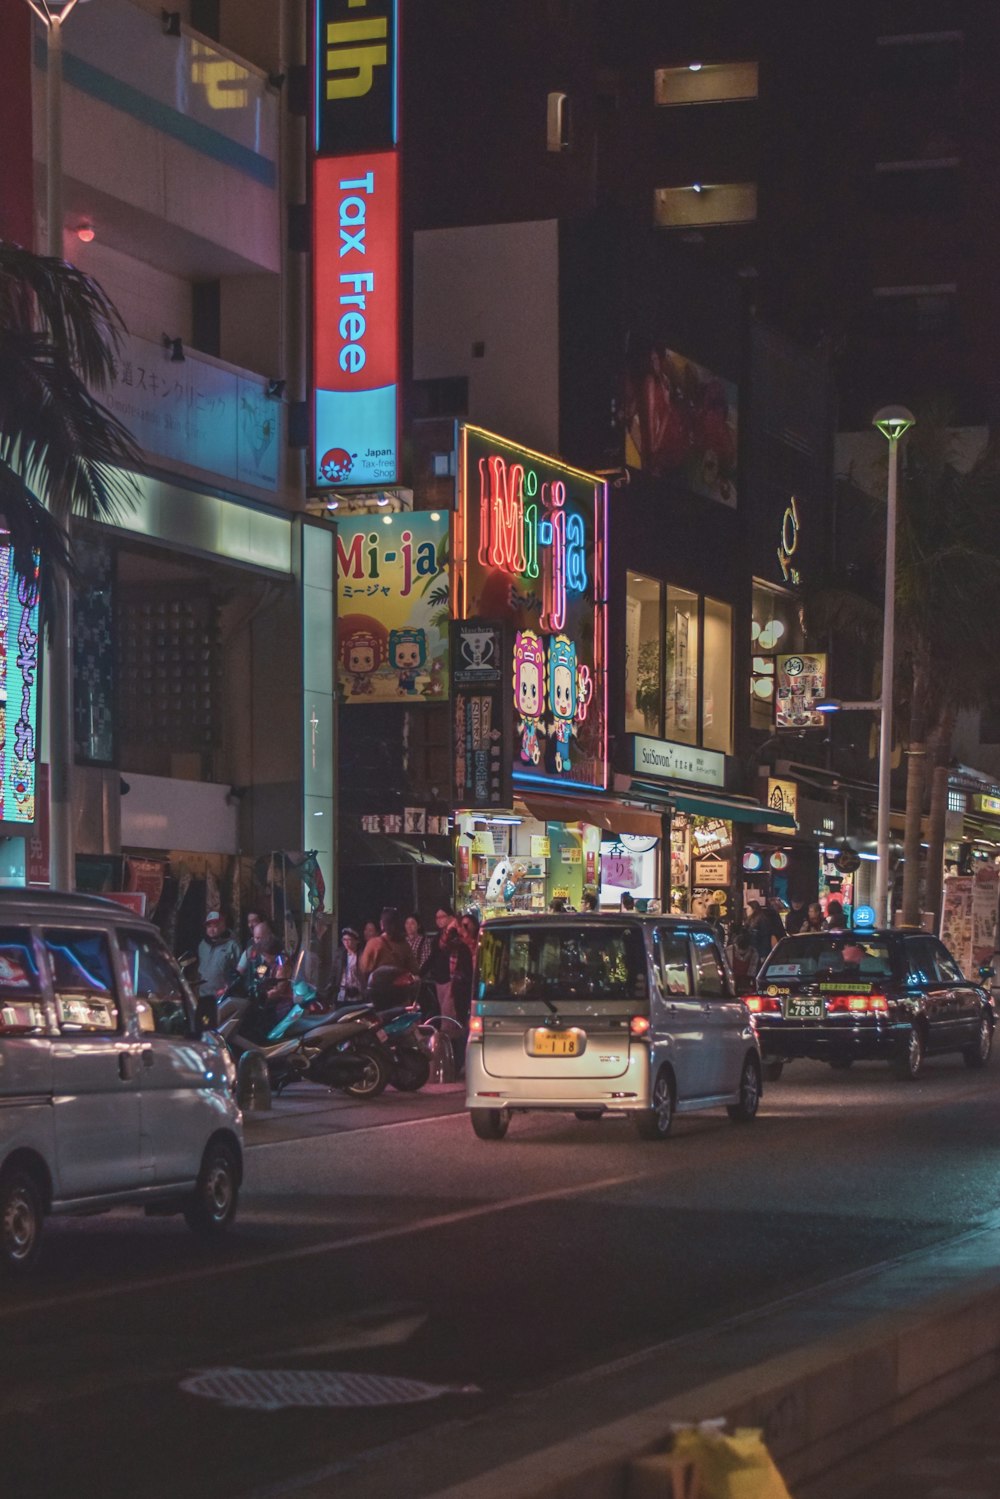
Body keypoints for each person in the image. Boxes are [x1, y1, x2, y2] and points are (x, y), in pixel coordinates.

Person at [358, 906, 416, 986]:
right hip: (399, 991)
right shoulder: (404, 944)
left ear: (382, 924)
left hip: (378, 990)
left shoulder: (373, 943)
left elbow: (364, 968)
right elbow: (414, 969)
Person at [197, 911, 240, 1000]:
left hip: (223, 995)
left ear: (223, 926)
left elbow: (239, 971)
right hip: (203, 995)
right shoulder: (202, 945)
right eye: (209, 926)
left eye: (215, 926)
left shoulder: (232, 945)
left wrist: (229, 987)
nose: (212, 929)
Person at [331, 927, 363, 1004]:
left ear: (356, 941)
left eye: (349, 940)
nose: (346, 942)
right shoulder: (339, 955)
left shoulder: (361, 955)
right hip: (342, 993)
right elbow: (334, 975)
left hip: (357, 994)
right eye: (344, 940)